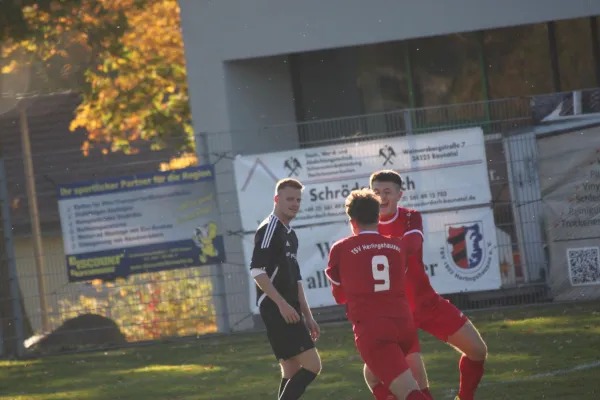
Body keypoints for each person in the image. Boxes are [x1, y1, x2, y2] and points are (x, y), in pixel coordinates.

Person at [368, 170, 488, 400]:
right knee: (413, 382)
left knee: (477, 351)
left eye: (387, 192)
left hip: (426, 302)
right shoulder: (365, 225)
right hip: (396, 315)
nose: (381, 197)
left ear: (399, 195)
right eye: (375, 192)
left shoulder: (411, 217)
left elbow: (412, 245)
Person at [325, 188, 429, 400]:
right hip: (404, 326)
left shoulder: (341, 248)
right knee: (372, 376)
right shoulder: (397, 245)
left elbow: (340, 297)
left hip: (375, 332)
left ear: (352, 221)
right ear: (378, 217)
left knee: (410, 394)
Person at [249, 178, 322, 399]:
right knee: (312, 365)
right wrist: (282, 305)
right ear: (276, 199)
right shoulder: (270, 228)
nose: (295, 203)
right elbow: (257, 271)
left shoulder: (289, 233)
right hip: (277, 309)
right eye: (289, 199)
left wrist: (307, 316)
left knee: (291, 371)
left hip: (289, 309)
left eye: (298, 200)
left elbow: (296, 280)